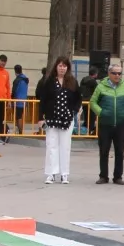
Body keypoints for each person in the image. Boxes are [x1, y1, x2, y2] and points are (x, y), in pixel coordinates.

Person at [91, 62, 124, 184]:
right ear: (109, 73)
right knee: (104, 150)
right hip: (105, 124)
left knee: (119, 151)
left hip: (121, 124)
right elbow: (93, 102)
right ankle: (103, 176)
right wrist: (101, 112)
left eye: (119, 73)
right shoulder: (101, 86)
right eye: (114, 73)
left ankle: (118, 176)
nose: (117, 75)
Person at [39, 56, 80, 184]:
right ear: (56, 67)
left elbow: (78, 98)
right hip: (52, 118)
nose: (62, 68)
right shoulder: (49, 81)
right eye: (60, 65)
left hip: (66, 119)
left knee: (65, 146)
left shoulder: (72, 82)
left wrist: (74, 110)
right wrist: (40, 118)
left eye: (64, 66)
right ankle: (51, 173)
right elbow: (43, 100)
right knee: (51, 145)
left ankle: (64, 174)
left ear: (67, 68)